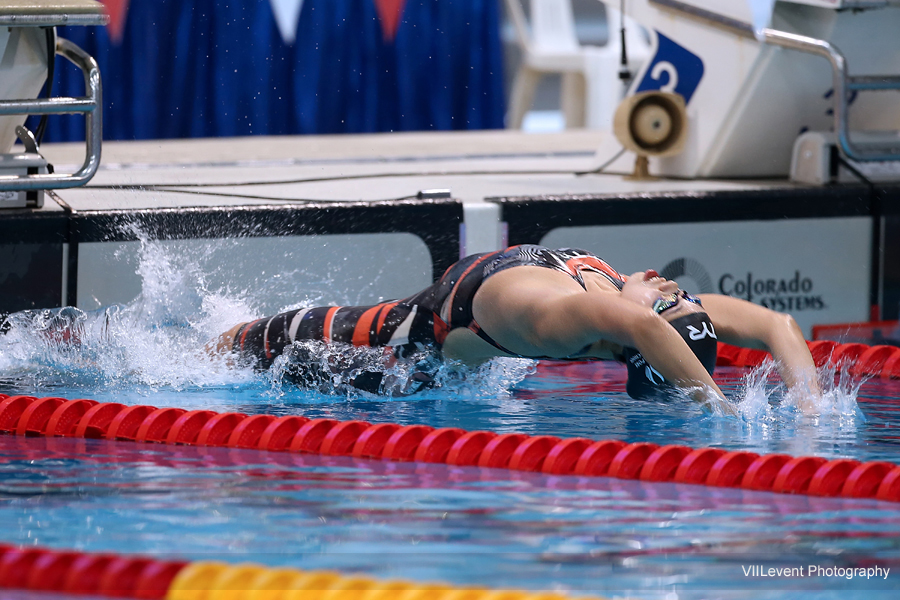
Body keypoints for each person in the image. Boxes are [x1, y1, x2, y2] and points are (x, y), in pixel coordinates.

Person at [211, 245, 821, 412]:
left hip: (434, 337)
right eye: (681, 298)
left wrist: (802, 409)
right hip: (431, 322)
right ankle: (197, 348)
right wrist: (736, 411)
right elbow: (777, 326)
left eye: (674, 303)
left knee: (279, 355)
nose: (675, 292)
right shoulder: (593, 316)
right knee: (263, 344)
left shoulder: (593, 316)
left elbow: (776, 325)